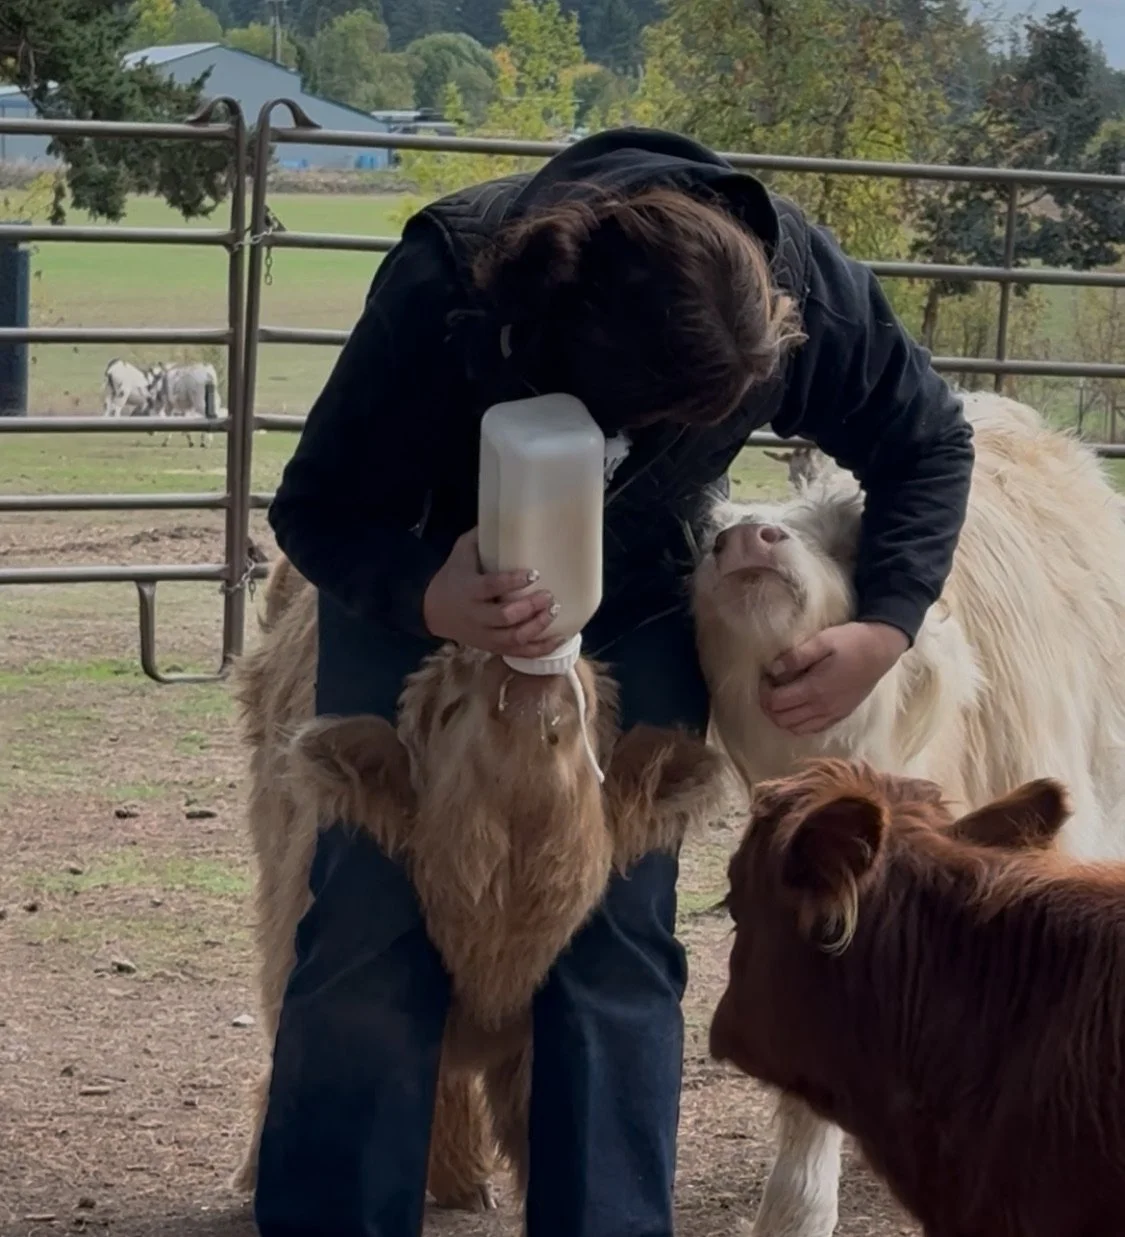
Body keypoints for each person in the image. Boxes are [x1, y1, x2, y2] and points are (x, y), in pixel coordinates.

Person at [256, 126, 974, 1237]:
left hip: (630, 583)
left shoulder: (793, 290)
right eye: (647, 415)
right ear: (558, 350)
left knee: (619, 916)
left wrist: (884, 623)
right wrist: (429, 592)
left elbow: (926, 441)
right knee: (368, 901)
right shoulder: (445, 277)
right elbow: (313, 506)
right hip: (422, 567)